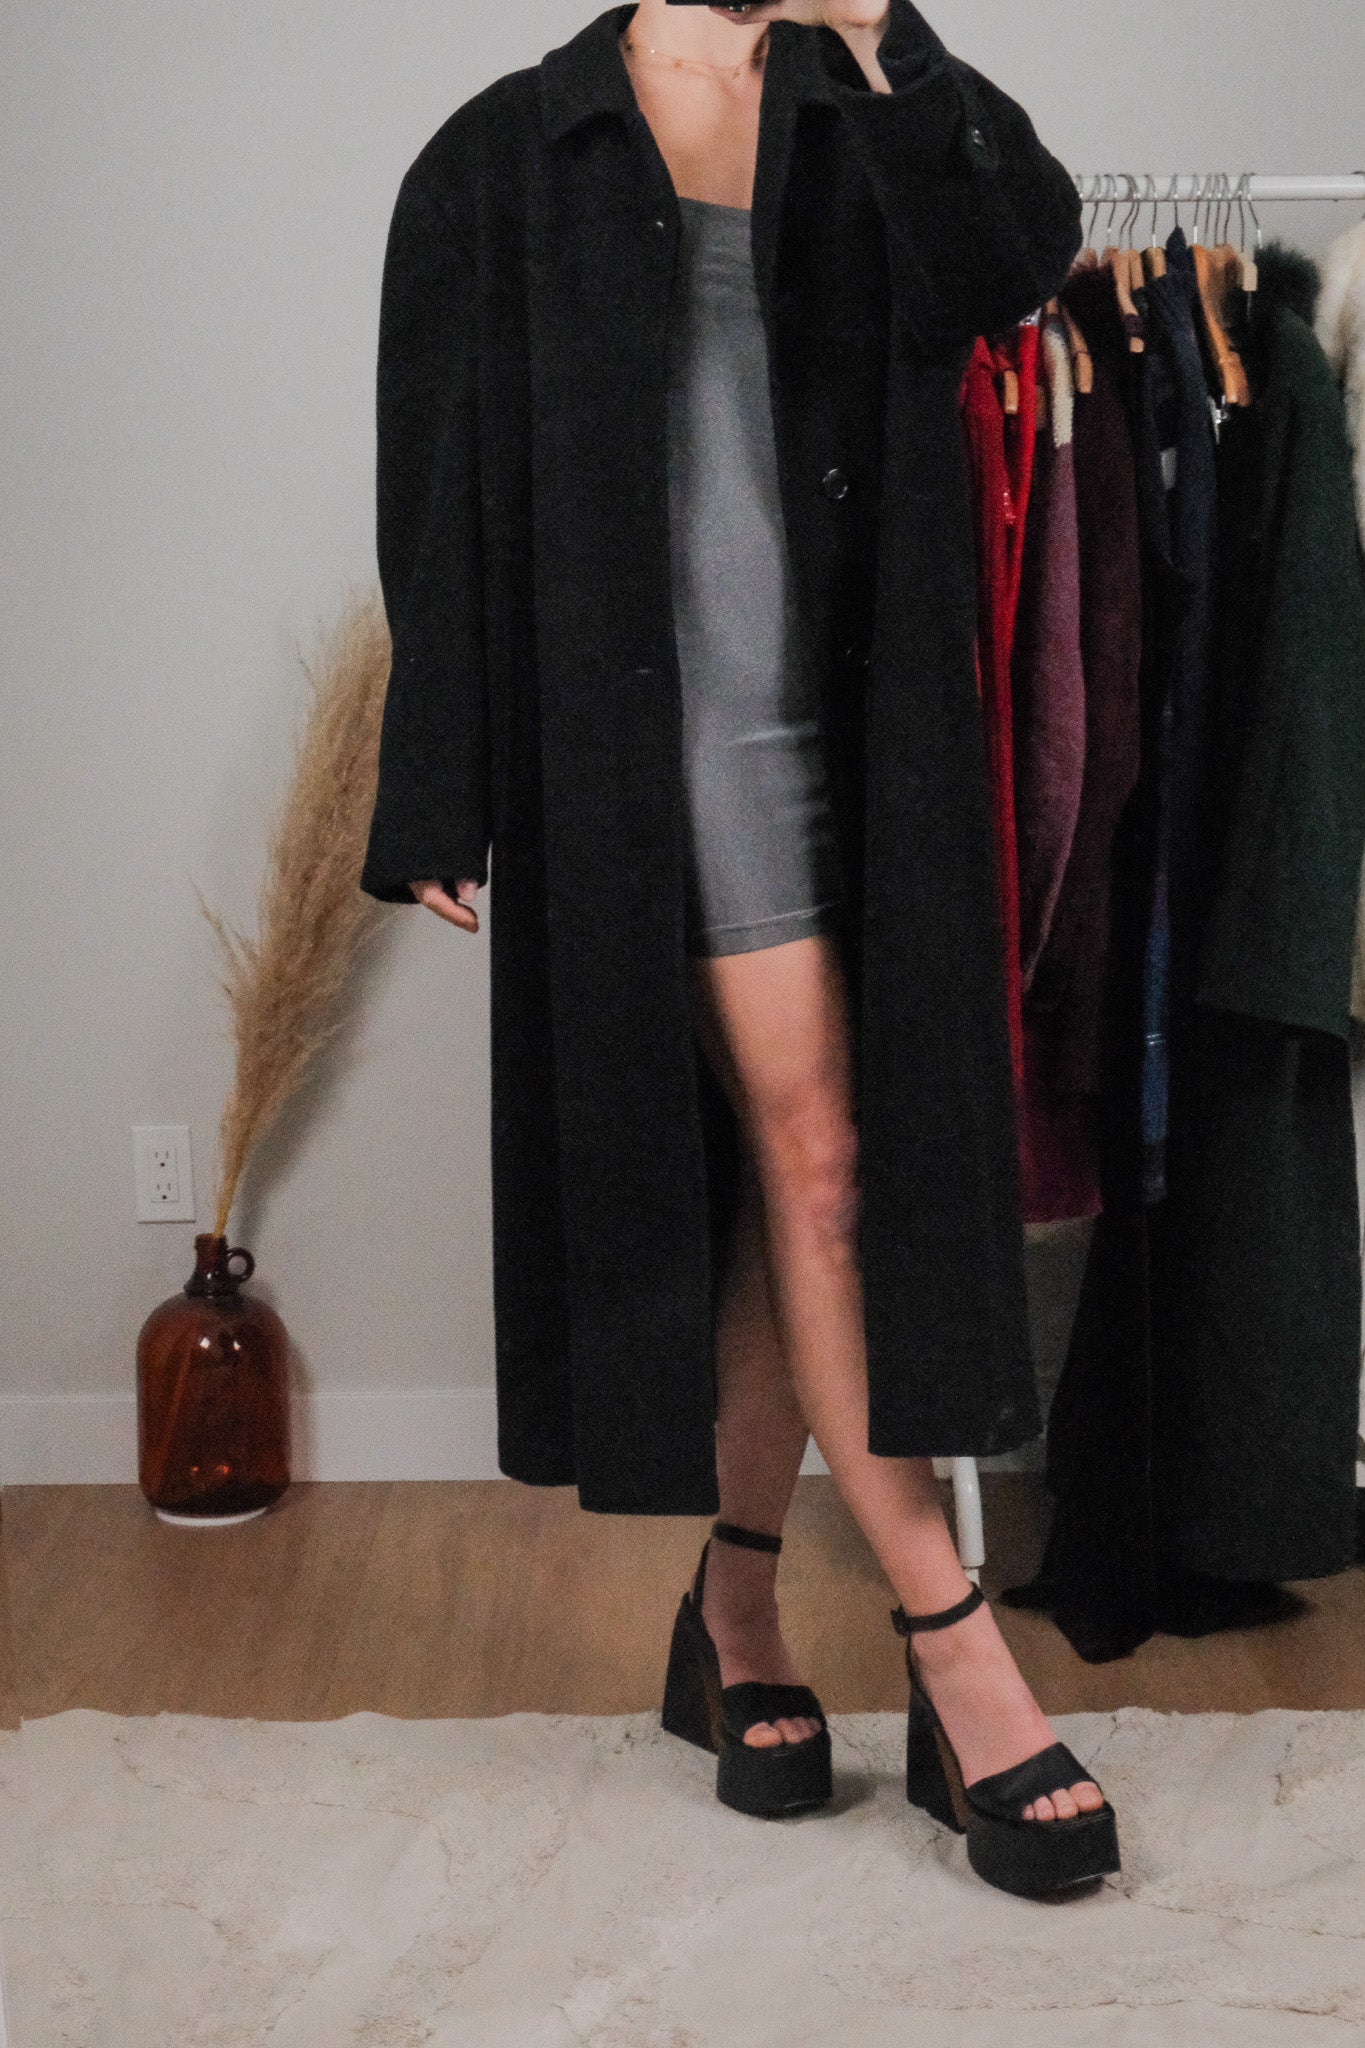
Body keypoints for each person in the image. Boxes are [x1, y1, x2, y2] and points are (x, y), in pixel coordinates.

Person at [362, 0, 1121, 1898]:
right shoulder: (506, 154)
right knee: (820, 1156)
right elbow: (436, 480)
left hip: (870, 728)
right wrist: (437, 783)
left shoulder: (857, 105)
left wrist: (886, 40)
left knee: (785, 1190)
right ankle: (955, 1649)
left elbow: (1015, 260)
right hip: (660, 745)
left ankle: (736, 1609)